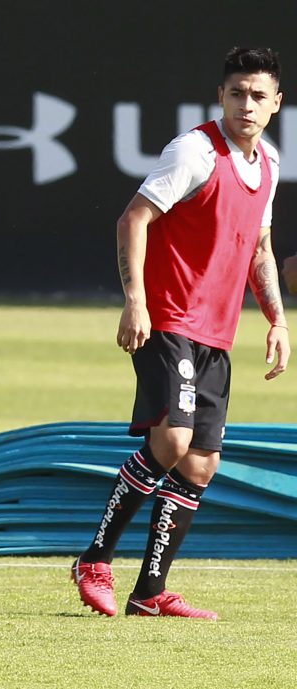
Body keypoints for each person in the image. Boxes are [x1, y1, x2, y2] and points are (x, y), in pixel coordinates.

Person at [71, 47, 290, 620]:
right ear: (221, 96)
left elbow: (261, 250)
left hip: (216, 332)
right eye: (237, 93)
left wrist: (278, 320)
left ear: (276, 105)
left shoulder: (267, 164)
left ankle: (150, 591)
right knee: (170, 442)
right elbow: (133, 218)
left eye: (258, 95)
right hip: (168, 318)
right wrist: (135, 301)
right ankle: (93, 560)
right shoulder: (194, 151)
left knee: (199, 465)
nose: (246, 104)